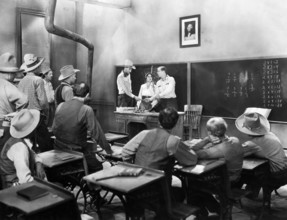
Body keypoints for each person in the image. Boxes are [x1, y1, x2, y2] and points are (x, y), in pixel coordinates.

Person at [52, 82, 113, 174]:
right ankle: (91, 186)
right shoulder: (86, 109)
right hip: (75, 152)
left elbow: (54, 128)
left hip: (57, 148)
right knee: (99, 166)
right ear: (87, 95)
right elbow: (97, 134)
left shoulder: (60, 105)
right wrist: (109, 150)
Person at [235, 112, 287, 196]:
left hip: (276, 176)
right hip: (285, 170)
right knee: (259, 168)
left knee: (243, 174)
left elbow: (236, 154)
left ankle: (240, 194)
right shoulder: (271, 134)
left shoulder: (252, 144)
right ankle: (252, 192)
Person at [0, 109, 46, 188]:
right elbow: (25, 180)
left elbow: (32, 153)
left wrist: (38, 163)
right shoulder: (20, 147)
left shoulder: (16, 141)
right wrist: (45, 186)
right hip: (14, 188)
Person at [18, 53, 52, 153]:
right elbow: (43, 102)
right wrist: (46, 114)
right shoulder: (38, 80)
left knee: (30, 142)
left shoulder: (22, 81)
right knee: (45, 144)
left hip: (24, 116)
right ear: (36, 67)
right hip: (37, 115)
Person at [193, 117, 243, 183]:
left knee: (194, 177)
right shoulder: (235, 139)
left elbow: (193, 152)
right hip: (237, 175)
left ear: (210, 132)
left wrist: (206, 140)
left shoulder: (219, 149)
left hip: (226, 181)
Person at [0, 53, 28, 153]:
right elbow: (24, 100)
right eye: (14, 74)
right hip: (5, 123)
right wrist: (17, 113)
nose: (15, 76)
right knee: (6, 152)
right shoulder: (7, 85)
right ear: (8, 74)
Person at [40, 63, 55, 129]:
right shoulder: (41, 83)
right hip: (44, 106)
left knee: (50, 121)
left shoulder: (50, 83)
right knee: (45, 121)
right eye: (50, 74)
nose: (52, 75)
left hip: (51, 105)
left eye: (52, 74)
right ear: (45, 75)